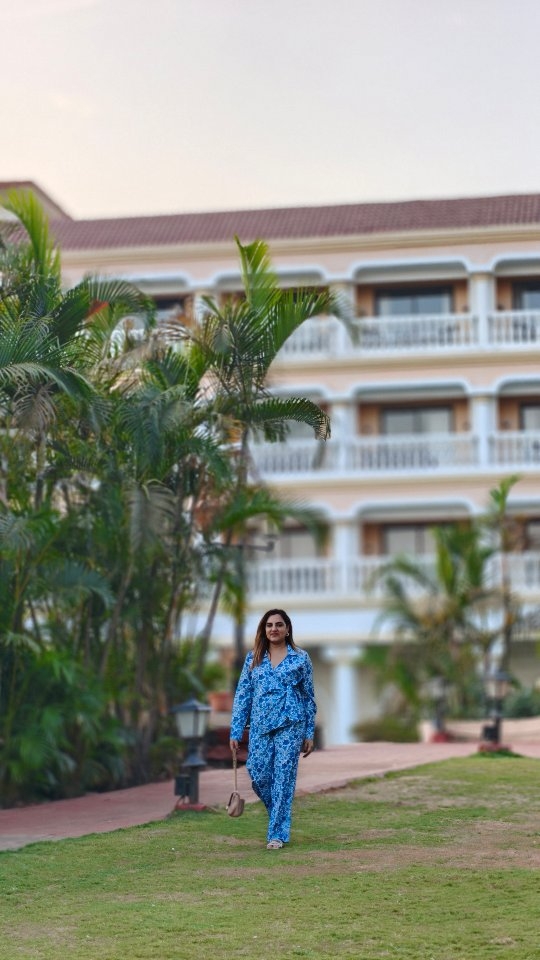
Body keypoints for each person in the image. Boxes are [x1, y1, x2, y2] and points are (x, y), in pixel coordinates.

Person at [229, 608, 316, 850]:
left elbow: (308, 697)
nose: (274, 629)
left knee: (283, 778)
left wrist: (309, 732)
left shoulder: (300, 658)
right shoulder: (254, 658)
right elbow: (243, 695)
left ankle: (276, 834)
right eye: (269, 625)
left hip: (290, 724)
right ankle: (279, 816)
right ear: (264, 630)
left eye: (279, 625)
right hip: (260, 725)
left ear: (287, 629)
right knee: (258, 773)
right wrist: (236, 730)